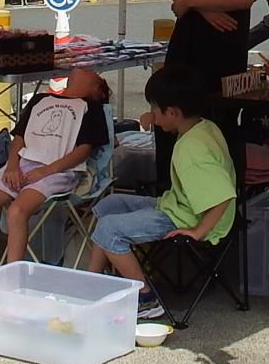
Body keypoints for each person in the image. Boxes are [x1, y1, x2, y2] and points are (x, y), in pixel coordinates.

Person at [0, 67, 112, 294]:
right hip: (23, 162)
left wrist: (47, 170)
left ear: (97, 89)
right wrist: (12, 165)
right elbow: (19, 137)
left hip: (59, 170)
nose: (84, 69)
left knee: (17, 211)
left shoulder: (92, 108)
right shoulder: (40, 99)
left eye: (94, 75)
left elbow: (84, 150)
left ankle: (13, 279)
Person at [84, 64, 236, 321]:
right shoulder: (203, 126)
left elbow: (223, 194)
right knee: (110, 205)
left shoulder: (192, 149)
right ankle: (93, 281)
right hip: (178, 206)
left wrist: (199, 231)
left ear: (173, 112)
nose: (152, 115)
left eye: (155, 109)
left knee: (109, 228)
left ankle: (145, 298)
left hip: (189, 218)